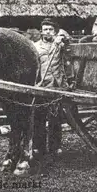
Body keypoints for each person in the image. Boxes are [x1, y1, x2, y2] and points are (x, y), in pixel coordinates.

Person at [33, 18, 70, 156]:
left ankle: (55, 146)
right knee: (39, 117)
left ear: (54, 31)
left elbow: (68, 38)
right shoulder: (35, 46)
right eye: (45, 30)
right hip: (42, 84)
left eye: (50, 29)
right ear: (41, 32)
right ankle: (39, 146)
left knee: (56, 117)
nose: (47, 32)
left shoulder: (59, 44)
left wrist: (60, 36)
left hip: (57, 84)